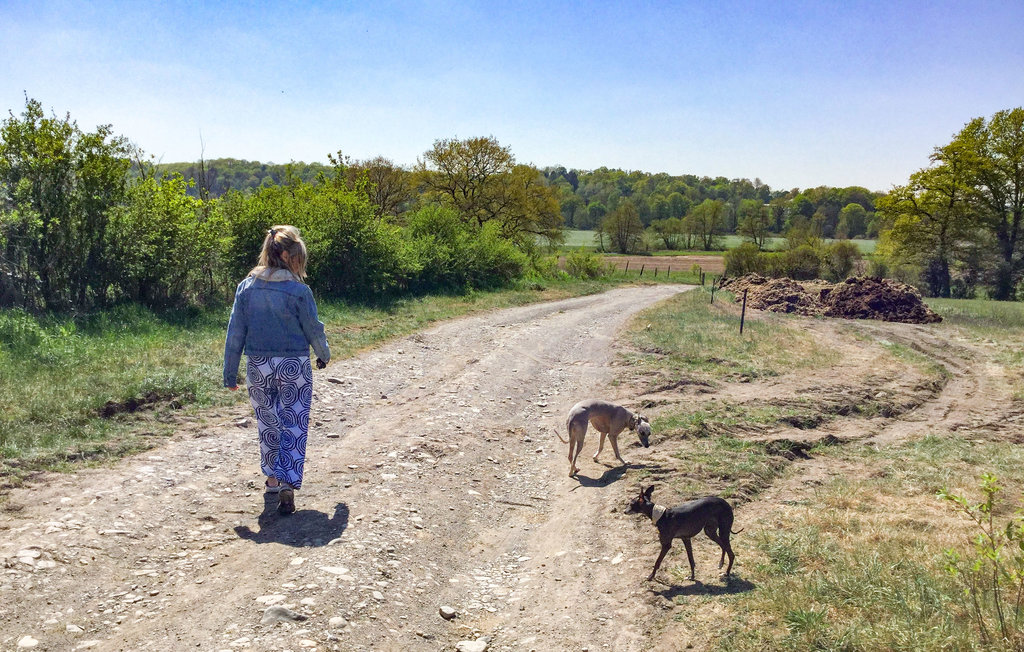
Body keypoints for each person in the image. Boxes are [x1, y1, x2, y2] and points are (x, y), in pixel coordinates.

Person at [223, 225, 330, 515]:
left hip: (258, 365)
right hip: (293, 364)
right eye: (299, 259)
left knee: (268, 423)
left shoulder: (246, 287)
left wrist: (229, 372)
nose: (300, 265)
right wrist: (323, 354)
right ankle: (286, 482)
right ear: (286, 256)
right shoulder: (298, 290)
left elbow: (235, 332)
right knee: (292, 423)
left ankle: (271, 479)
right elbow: (313, 327)